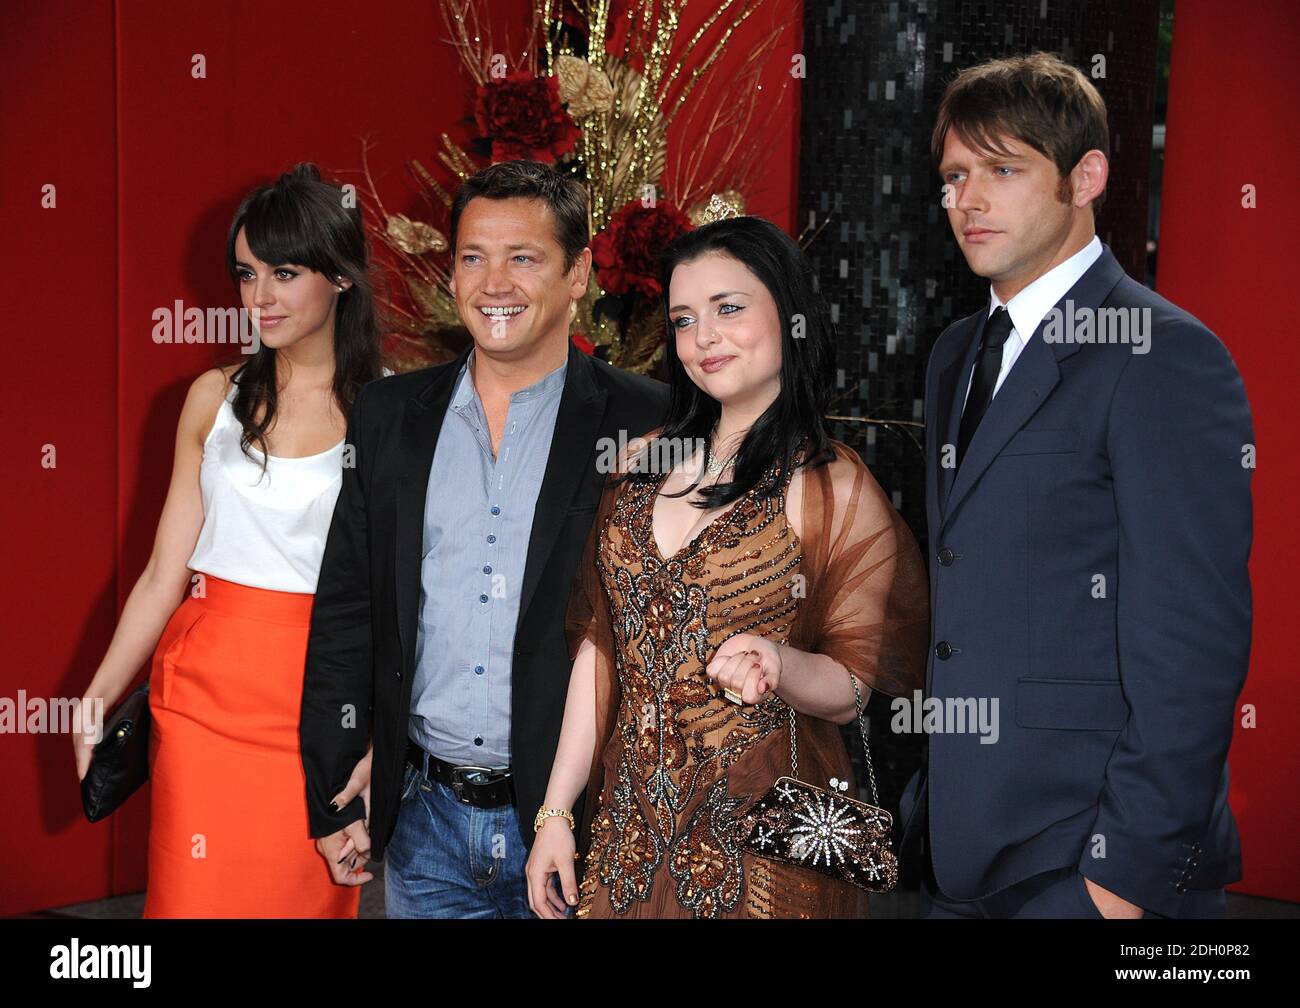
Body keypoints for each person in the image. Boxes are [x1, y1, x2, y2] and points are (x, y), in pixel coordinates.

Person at [901, 52, 1254, 919]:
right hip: (960, 851)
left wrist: (1120, 881)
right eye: (954, 175)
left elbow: (1193, 646)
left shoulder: (1163, 353)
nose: (968, 200)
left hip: (1088, 862)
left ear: (1085, 176)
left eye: (1003, 170)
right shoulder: (955, 354)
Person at [525, 214, 930, 919]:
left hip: (760, 850)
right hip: (628, 836)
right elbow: (600, 644)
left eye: (729, 308)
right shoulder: (641, 461)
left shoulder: (831, 486)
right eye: (684, 319)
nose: (703, 337)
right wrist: (557, 813)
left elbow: (853, 687)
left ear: (789, 315)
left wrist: (778, 661)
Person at [299, 159, 669, 918]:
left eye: (523, 258)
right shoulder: (390, 415)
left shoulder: (647, 422)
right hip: (424, 823)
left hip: (583, 829)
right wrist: (336, 780)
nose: (492, 283)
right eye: (473, 257)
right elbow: (347, 607)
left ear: (578, 277)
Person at [74, 163, 384, 916]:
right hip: (204, 700)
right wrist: (97, 696)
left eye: (284, 272)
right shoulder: (214, 399)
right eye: (247, 275)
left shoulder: (391, 410)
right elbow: (161, 573)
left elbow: (402, 597)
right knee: (191, 896)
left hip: (323, 700)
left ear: (341, 276)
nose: (259, 298)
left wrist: (379, 739)